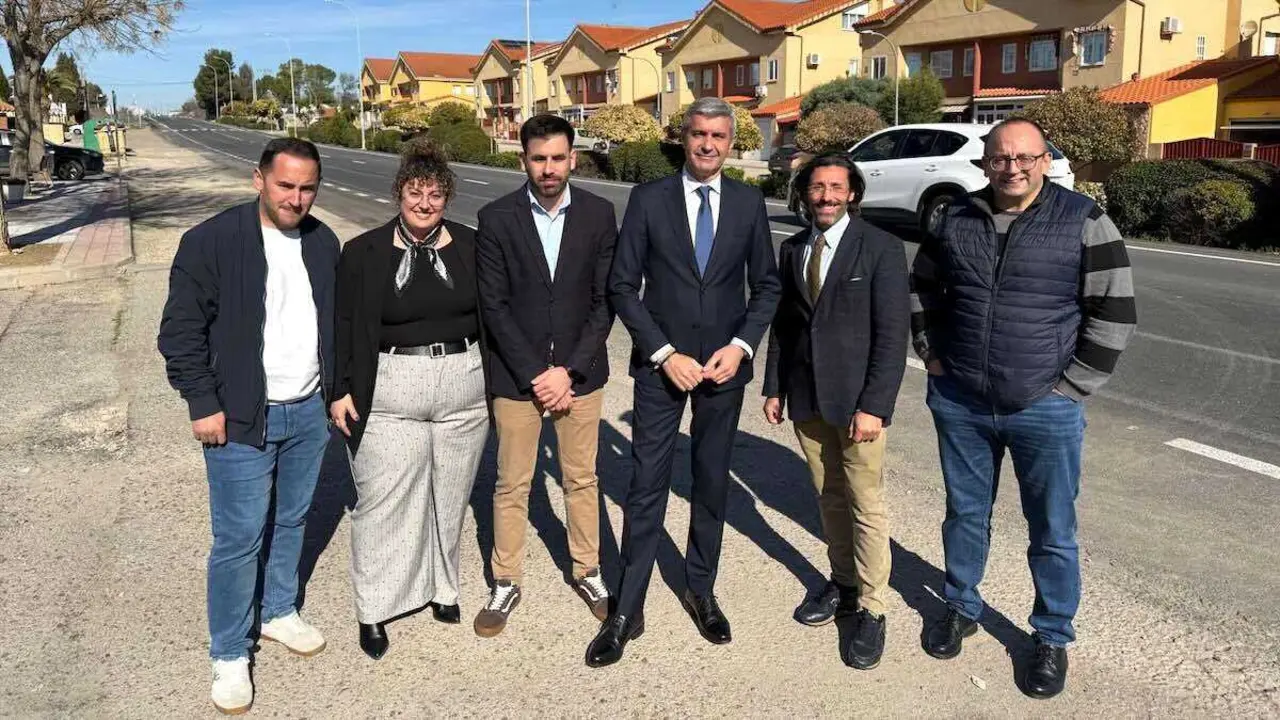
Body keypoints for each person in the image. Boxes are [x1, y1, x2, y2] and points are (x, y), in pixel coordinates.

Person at [911, 118, 1136, 699]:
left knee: (1052, 528)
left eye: (1025, 157)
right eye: (1001, 158)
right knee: (964, 514)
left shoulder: (1082, 219)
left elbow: (1115, 310)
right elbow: (923, 288)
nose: (1013, 168)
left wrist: (1073, 387)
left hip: (1045, 405)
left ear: (1045, 160)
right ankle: (960, 605)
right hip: (961, 399)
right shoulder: (954, 217)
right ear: (985, 162)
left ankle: (1052, 635)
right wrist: (931, 354)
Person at [587, 96, 781, 668]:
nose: (708, 145)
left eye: (719, 137)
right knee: (645, 485)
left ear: (731, 141)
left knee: (710, 481)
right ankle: (629, 605)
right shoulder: (649, 199)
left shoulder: (748, 204)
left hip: (724, 369)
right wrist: (664, 352)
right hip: (661, 368)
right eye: (699, 134)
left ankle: (701, 587)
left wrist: (741, 346)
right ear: (683, 136)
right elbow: (623, 286)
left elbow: (765, 286)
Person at [158, 137, 338, 715]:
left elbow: (334, 322)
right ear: (258, 180)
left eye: (307, 187)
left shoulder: (322, 241)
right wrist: (201, 401)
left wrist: (337, 391)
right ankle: (230, 651)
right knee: (238, 539)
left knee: (292, 519)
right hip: (239, 416)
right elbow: (180, 333)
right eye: (285, 185)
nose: (297, 198)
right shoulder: (211, 242)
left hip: (308, 409)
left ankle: (279, 610)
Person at [328, 139, 489, 660]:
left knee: (450, 496)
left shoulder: (471, 245)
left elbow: (496, 314)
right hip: (391, 385)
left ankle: (443, 589)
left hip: (463, 387)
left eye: (436, 194)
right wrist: (340, 390)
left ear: (448, 198)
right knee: (383, 500)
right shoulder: (363, 252)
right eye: (415, 193)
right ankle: (374, 607)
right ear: (399, 193)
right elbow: (343, 326)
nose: (425, 203)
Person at [762, 152, 909, 670]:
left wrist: (875, 405)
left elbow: (893, 337)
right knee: (828, 496)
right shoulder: (794, 248)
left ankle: (873, 607)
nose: (824, 196)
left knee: (866, 503)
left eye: (834, 188)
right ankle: (843, 583)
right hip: (807, 397)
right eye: (816, 188)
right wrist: (774, 387)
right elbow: (785, 325)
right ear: (804, 194)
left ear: (852, 194)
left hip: (858, 405)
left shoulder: (882, 249)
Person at [472, 114, 617, 637]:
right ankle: (505, 579)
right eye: (539, 159)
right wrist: (538, 373)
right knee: (512, 482)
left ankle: (588, 570)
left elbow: (605, 303)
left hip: (582, 376)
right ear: (523, 161)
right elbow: (495, 305)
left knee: (582, 477)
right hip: (517, 379)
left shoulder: (600, 215)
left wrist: (569, 370)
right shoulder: (496, 218)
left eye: (558, 158)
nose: (549, 168)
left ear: (573, 158)